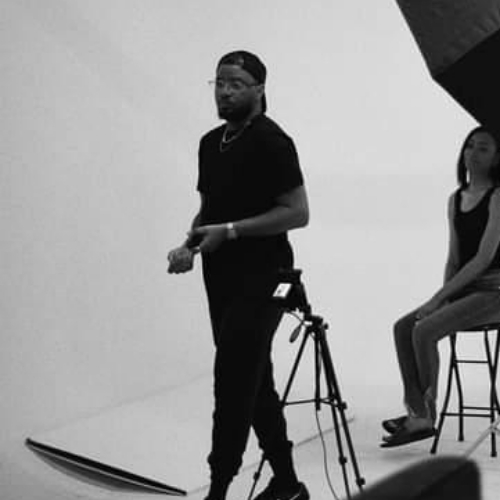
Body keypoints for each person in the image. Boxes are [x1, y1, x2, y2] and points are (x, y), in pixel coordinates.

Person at [167, 50, 310, 500]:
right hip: (222, 277)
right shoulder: (210, 143)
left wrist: (230, 232)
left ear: (259, 90)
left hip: (266, 277)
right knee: (253, 379)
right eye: (220, 83)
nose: (225, 92)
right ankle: (288, 484)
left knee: (231, 380)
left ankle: (219, 488)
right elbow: (210, 209)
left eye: (236, 84)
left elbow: (298, 212)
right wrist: (189, 245)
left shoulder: (273, 141)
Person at [381, 125, 500, 448]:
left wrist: (438, 300)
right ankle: (416, 410)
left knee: (424, 331)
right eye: (470, 146)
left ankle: (424, 417)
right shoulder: (455, 199)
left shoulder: (497, 197)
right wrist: (447, 296)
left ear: (496, 158)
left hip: (494, 292)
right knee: (404, 327)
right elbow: (455, 258)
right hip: (467, 290)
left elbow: (483, 259)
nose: (473, 153)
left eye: (484, 148)